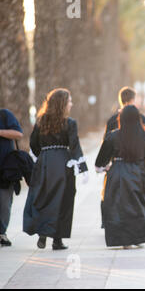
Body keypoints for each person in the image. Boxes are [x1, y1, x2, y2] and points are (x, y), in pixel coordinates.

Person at [23, 88, 88, 250]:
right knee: (63, 199)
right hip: (62, 164)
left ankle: (43, 233)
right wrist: (81, 167)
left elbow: (33, 144)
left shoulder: (40, 121)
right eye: (69, 101)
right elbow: (74, 145)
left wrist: (43, 156)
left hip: (44, 163)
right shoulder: (70, 123)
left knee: (44, 197)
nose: (71, 104)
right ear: (62, 104)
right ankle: (57, 240)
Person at [95, 105, 145, 248]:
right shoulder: (144, 135)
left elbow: (100, 161)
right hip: (139, 173)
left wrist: (103, 167)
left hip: (118, 174)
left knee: (119, 208)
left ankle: (123, 240)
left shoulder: (113, 135)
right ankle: (137, 237)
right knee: (137, 207)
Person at [0, 109, 23, 246]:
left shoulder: (5, 115)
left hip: (5, 169)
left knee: (4, 203)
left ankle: (2, 233)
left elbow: (18, 134)